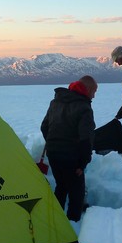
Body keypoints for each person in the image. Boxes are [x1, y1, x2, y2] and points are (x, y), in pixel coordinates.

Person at [41, 75, 97, 222]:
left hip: (53, 154)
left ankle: (55, 221)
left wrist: (53, 143)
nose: (94, 96)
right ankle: (73, 226)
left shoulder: (56, 102)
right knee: (76, 193)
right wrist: (82, 162)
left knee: (61, 186)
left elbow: (44, 127)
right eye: (94, 91)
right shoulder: (84, 108)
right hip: (71, 158)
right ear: (88, 89)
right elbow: (86, 138)